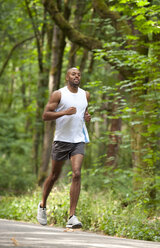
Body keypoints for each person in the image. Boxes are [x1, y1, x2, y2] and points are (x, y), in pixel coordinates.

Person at [37, 67, 91, 229]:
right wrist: (64, 113)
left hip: (78, 140)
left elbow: (84, 112)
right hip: (61, 140)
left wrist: (87, 117)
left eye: (79, 74)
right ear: (67, 77)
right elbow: (45, 115)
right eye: (73, 74)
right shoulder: (58, 94)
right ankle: (42, 205)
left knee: (77, 173)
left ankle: (72, 216)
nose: (77, 76)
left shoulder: (85, 95)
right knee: (54, 175)